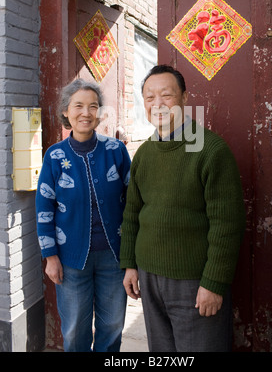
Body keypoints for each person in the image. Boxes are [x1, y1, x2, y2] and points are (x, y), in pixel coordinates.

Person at [120, 64, 246, 352]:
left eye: (166, 95)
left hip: (193, 281)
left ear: (185, 99)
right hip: (149, 278)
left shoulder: (211, 150)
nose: (158, 104)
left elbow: (227, 225)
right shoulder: (145, 153)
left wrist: (213, 283)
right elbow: (132, 213)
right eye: (149, 97)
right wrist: (129, 264)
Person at [36, 78, 131, 352]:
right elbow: (44, 209)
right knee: (76, 328)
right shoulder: (55, 156)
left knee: (112, 325)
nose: (86, 113)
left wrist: (133, 255)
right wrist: (50, 256)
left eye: (93, 106)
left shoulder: (116, 151)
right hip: (71, 259)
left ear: (99, 112)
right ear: (66, 111)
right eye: (78, 105)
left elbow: (133, 202)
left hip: (114, 256)